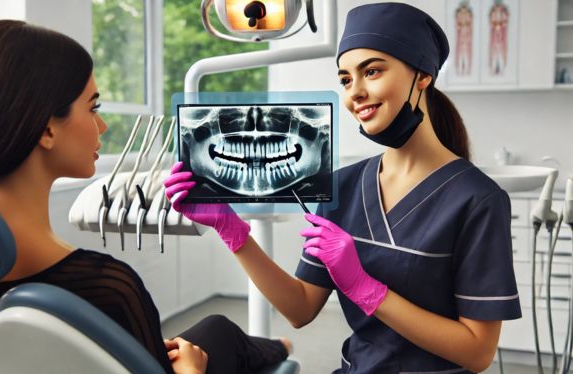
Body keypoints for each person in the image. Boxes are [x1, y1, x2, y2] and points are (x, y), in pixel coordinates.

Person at [0, 20, 291, 374]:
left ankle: (271, 346)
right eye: (93, 107)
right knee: (221, 337)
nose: (102, 124)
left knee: (214, 329)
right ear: (46, 130)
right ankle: (279, 351)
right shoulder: (109, 289)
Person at [164, 3, 521, 373]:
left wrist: (367, 289)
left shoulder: (478, 199)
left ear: (423, 75)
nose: (356, 93)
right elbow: (300, 308)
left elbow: (478, 353)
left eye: (373, 71)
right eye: (346, 79)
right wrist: (231, 229)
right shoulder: (345, 186)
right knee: (212, 336)